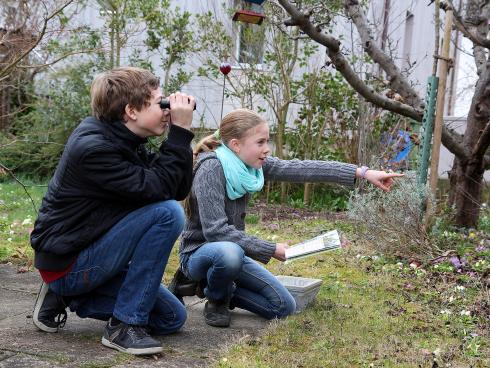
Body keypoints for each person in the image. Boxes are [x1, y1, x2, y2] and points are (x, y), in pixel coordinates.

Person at [173, 108, 403, 328]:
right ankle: (216, 299)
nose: (267, 149)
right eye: (260, 142)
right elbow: (216, 232)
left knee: (283, 306)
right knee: (229, 253)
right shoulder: (211, 168)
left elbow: (303, 168)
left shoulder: (251, 166)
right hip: (200, 252)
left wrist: (362, 173)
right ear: (235, 145)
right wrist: (271, 248)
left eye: (268, 141)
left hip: (232, 252)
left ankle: (211, 285)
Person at [30, 67, 196, 355]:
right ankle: (123, 327)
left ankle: (69, 298)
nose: (167, 109)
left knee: (172, 318)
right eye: (160, 103)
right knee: (167, 214)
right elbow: (161, 191)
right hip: (68, 262)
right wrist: (179, 134)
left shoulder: (124, 137)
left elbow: (175, 188)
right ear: (131, 111)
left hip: (92, 247)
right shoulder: (95, 148)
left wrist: (179, 137)